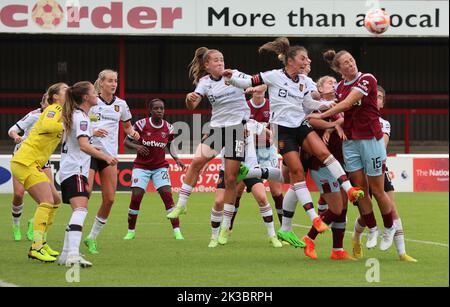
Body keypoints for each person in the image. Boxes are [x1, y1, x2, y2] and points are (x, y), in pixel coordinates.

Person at [223, 37, 364, 248]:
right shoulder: (273, 76)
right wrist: (231, 78)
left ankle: (349, 189)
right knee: (295, 173)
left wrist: (326, 104)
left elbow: (308, 104)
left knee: (323, 154)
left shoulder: (306, 82)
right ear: (290, 61)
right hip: (282, 131)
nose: (307, 61)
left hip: (300, 125)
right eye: (303, 58)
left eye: (307, 59)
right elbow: (248, 82)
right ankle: (313, 217)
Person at [307, 49, 396, 251]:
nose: (351, 64)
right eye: (346, 63)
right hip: (350, 142)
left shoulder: (367, 79)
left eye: (351, 60)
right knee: (360, 191)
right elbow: (341, 111)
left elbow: (346, 105)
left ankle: (389, 227)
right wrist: (335, 125)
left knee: (377, 189)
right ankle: (372, 229)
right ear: (339, 69)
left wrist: (321, 117)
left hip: (370, 139)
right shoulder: (339, 87)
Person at [166, 47, 251, 246]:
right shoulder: (204, 83)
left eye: (221, 59)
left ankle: (225, 227)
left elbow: (260, 83)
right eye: (215, 61)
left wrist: (250, 86)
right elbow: (192, 105)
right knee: (196, 161)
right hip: (216, 130)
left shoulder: (235, 74)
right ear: (207, 65)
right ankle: (181, 205)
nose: (220, 63)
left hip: (236, 130)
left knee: (230, 179)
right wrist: (189, 99)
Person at [352, 85, 417, 262]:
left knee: (391, 208)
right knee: (367, 216)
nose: (377, 99)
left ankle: (402, 253)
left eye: (380, 97)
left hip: (378, 169)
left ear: (381, 103)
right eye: (375, 96)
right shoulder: (355, 120)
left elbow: (381, 147)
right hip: (360, 172)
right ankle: (356, 239)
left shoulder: (383, 124)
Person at [57, 81, 118, 267]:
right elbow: (83, 146)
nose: (96, 94)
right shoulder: (82, 118)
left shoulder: (77, 115)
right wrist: (105, 157)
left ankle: (65, 255)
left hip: (70, 170)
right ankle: (73, 255)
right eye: (93, 92)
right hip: (75, 170)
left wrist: (93, 131)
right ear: (86, 97)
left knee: (79, 210)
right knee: (81, 210)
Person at [83, 69, 140, 254]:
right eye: (109, 81)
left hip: (109, 156)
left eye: (115, 80)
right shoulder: (91, 102)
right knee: (86, 192)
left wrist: (133, 133)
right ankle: (74, 232)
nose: (113, 84)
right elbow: (81, 123)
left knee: (109, 199)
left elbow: (127, 126)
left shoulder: (121, 105)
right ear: (101, 83)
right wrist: (92, 131)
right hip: (91, 152)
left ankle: (91, 238)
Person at [10, 82, 68, 262]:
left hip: (32, 162)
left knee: (55, 201)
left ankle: (41, 242)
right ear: (56, 96)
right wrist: (67, 127)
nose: (69, 91)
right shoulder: (55, 108)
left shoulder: (63, 112)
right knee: (47, 201)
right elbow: (51, 126)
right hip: (25, 161)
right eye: (65, 89)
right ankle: (36, 247)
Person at [301, 76, 354, 260]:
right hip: (323, 165)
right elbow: (311, 119)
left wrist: (334, 127)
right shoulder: (318, 104)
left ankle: (337, 250)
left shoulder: (340, 103)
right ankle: (308, 238)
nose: (333, 84)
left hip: (340, 163)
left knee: (343, 206)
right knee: (337, 208)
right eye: (329, 82)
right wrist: (333, 125)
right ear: (320, 88)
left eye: (334, 82)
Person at [209, 119, 282, 248]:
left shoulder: (252, 124)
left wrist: (272, 142)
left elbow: (269, 133)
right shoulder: (225, 126)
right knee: (219, 202)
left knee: (262, 198)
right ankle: (214, 237)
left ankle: (272, 236)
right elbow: (211, 141)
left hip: (250, 169)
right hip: (228, 170)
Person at [123, 98, 186, 241]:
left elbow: (170, 144)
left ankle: (177, 232)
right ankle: (131, 231)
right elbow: (126, 141)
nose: (159, 111)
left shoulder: (168, 127)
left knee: (167, 196)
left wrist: (177, 159)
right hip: (141, 167)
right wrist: (137, 146)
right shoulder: (140, 124)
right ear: (150, 111)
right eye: (156, 108)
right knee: (136, 197)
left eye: (161, 108)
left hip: (160, 167)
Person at [8, 93, 60, 242]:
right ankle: (16, 225)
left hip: (42, 160)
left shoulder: (60, 114)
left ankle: (34, 224)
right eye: (45, 101)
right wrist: (16, 136)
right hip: (24, 156)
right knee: (18, 194)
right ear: (43, 103)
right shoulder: (34, 115)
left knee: (50, 198)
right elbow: (12, 129)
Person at [246, 85, 284, 225]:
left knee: (276, 191)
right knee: (237, 190)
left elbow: (278, 127)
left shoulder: (272, 105)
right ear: (251, 90)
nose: (259, 90)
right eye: (256, 87)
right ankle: (228, 228)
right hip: (249, 151)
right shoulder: (245, 106)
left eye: (262, 86)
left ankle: (284, 228)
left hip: (268, 151)